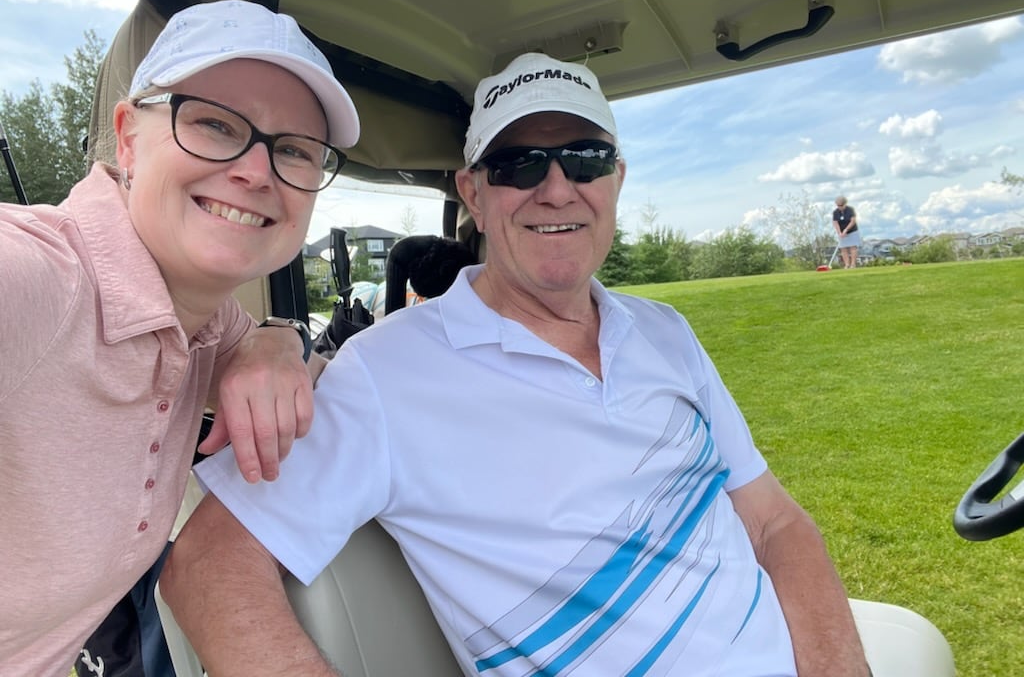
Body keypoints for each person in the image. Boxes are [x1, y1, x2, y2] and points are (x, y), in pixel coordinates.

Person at [162, 52, 871, 677]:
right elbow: (206, 566)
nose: (557, 189)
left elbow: (774, 522)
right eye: (519, 165)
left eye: (586, 159)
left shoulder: (665, 332)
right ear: (473, 192)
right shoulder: (389, 373)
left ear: (616, 180)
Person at [0, 0, 360, 677]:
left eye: (293, 150)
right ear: (129, 138)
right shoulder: (38, 278)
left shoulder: (203, 316)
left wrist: (277, 339)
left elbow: (246, 333)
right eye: (215, 125)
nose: (257, 172)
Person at [833, 196, 860, 269]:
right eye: (838, 205)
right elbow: (835, 223)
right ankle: (847, 264)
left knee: (852, 247)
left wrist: (846, 230)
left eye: (841, 205)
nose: (839, 207)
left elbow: (853, 221)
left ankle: (853, 264)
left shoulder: (850, 210)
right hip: (842, 233)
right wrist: (839, 232)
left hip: (852, 231)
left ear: (845, 204)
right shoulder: (835, 212)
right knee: (843, 248)